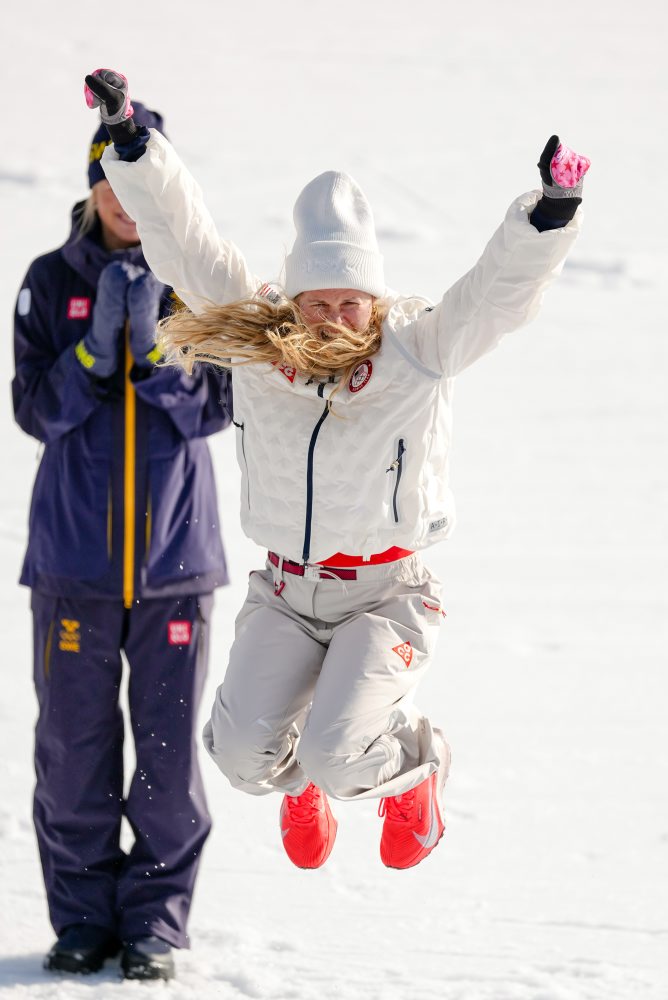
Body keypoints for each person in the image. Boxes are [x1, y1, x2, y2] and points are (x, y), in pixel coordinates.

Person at [84, 69, 589, 874]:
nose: (331, 319)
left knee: (340, 751)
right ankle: (303, 786)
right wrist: (132, 142)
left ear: (372, 300)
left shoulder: (416, 352)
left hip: (385, 598)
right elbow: (185, 241)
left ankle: (416, 766)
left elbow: (494, 297)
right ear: (293, 300)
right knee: (241, 757)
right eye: (315, 303)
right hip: (287, 592)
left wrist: (549, 215)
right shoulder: (260, 349)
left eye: (348, 302)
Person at [12, 94, 232, 980]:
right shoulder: (48, 280)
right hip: (75, 563)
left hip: (176, 562)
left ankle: (155, 925)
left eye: (140, 182)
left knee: (169, 764)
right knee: (73, 754)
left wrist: (154, 355)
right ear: (92, 181)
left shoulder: (198, 285)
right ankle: (82, 921)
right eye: (110, 178)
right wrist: (92, 355)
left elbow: (215, 409)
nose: (123, 197)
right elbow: (36, 410)